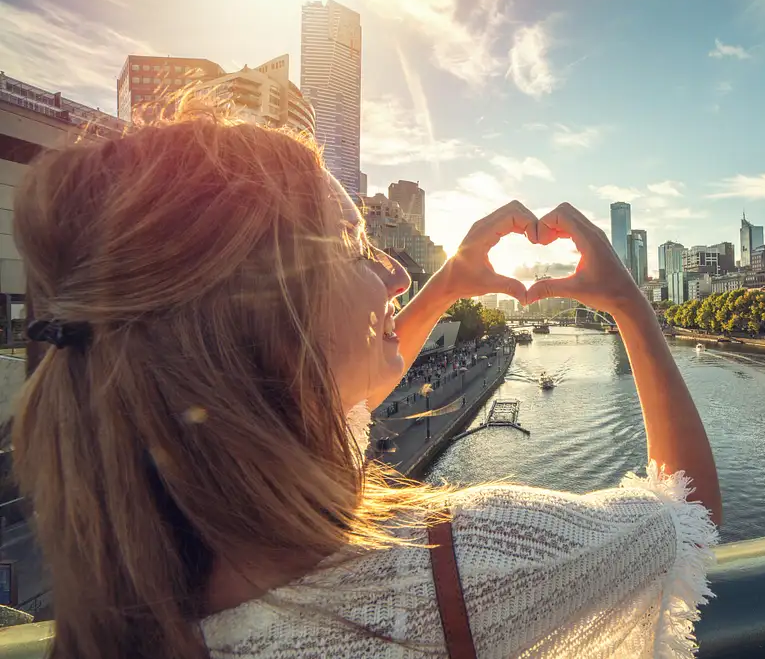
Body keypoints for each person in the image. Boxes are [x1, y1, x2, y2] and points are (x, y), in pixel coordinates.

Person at [11, 109, 721, 659]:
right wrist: (630, 301)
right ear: (272, 316)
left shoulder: (132, 592)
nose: (396, 275)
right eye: (354, 247)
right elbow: (687, 519)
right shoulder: (455, 568)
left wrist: (448, 284)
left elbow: (315, 401)